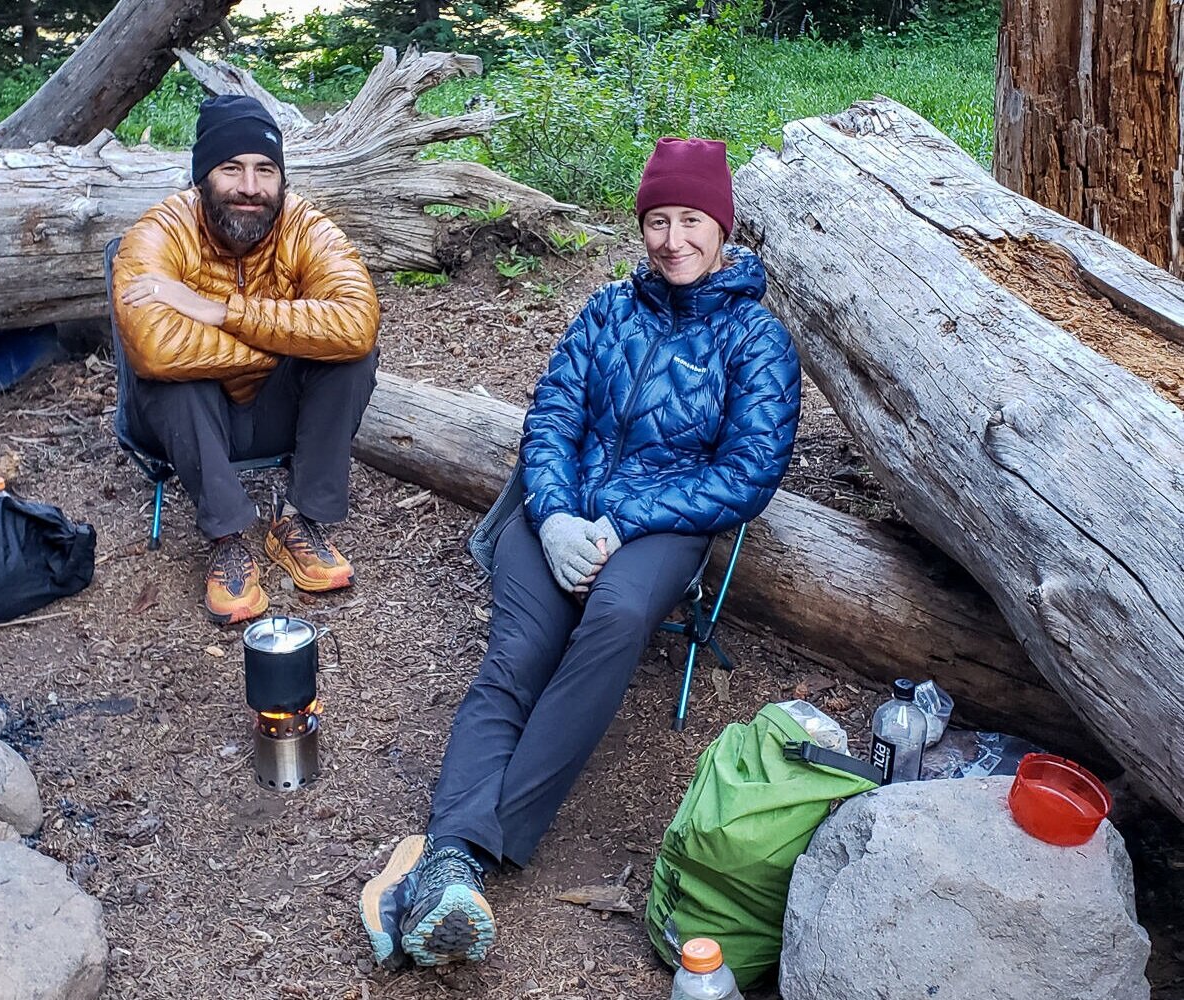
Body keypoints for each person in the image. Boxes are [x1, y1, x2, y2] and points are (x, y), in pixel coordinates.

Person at [359, 137, 802, 968]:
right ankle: (453, 857)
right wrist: (557, 517)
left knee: (618, 614)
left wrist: (619, 519)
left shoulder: (758, 340)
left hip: (664, 522)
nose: (673, 239)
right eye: (658, 221)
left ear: (723, 226)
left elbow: (747, 474)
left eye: (692, 220)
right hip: (559, 513)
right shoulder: (606, 311)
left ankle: (473, 851)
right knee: (517, 653)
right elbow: (552, 419)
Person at [111, 95, 381, 625]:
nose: (251, 187)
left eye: (265, 170)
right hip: (187, 419)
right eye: (231, 169)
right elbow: (153, 347)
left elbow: (357, 323)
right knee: (172, 376)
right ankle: (229, 539)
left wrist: (217, 311)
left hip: (271, 412)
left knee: (351, 356)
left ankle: (299, 522)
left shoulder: (306, 229)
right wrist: (279, 344)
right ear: (201, 178)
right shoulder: (158, 233)